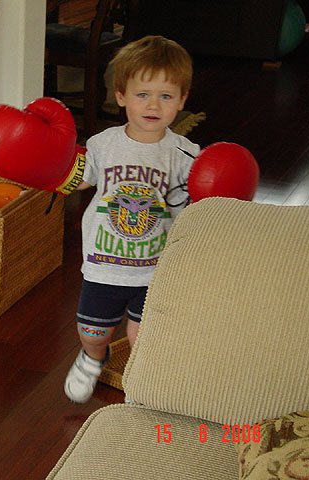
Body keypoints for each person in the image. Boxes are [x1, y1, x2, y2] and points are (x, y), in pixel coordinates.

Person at [64, 35, 200, 403]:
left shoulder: (185, 153)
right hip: (104, 263)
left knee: (143, 336)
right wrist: (45, 167)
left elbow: (199, 199)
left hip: (155, 266)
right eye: (143, 94)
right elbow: (79, 180)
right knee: (92, 332)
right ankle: (94, 358)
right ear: (121, 95)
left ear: (182, 100)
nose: (153, 105)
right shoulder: (103, 143)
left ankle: (142, 380)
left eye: (166, 96)